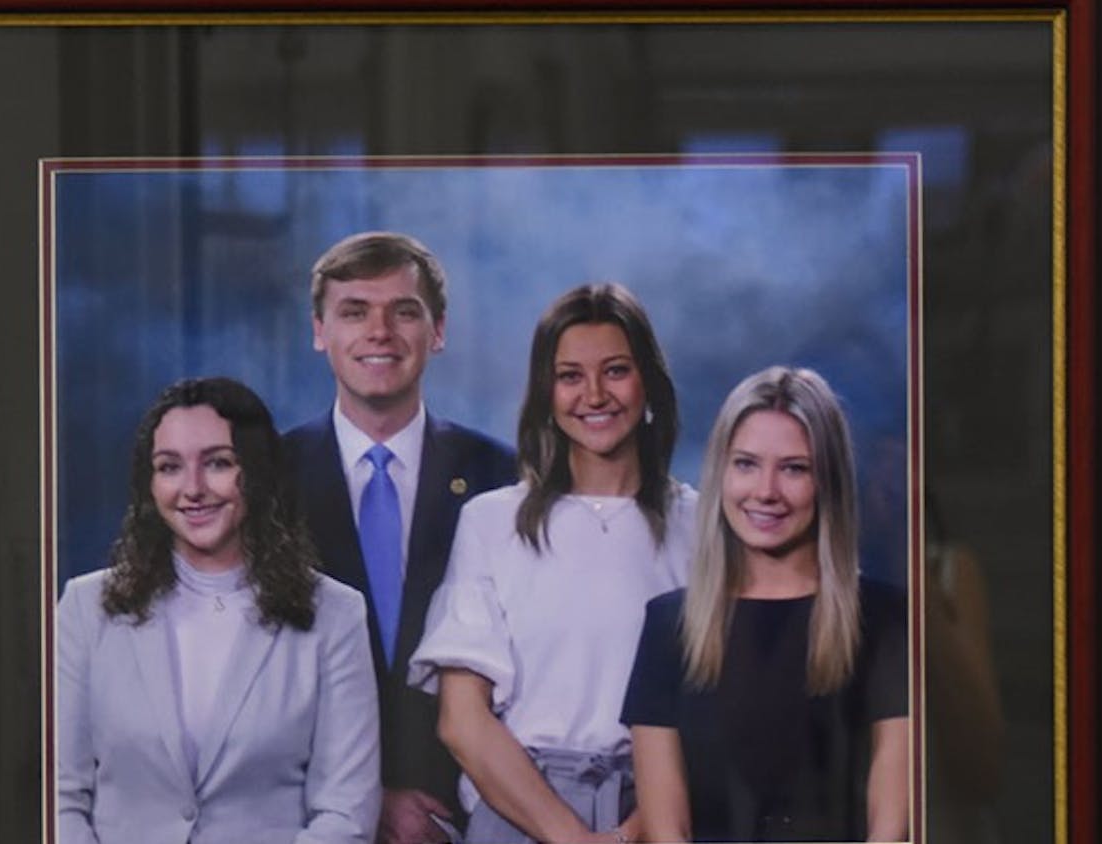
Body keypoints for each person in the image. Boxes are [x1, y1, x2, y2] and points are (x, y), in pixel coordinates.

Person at [408, 282, 698, 844]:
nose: (594, 394)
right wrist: (574, 839)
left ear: (649, 383)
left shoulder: (702, 526)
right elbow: (463, 721)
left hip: (659, 812)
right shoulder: (490, 523)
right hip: (520, 809)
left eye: (615, 370)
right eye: (569, 376)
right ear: (546, 392)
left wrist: (633, 832)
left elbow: (716, 715)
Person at [58, 377, 381, 844]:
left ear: (256, 470)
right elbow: (60, 797)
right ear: (149, 485)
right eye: (169, 467)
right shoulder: (85, 610)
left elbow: (345, 814)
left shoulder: (336, 615)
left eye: (218, 464)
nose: (192, 489)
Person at [283, 232, 518, 844]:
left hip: (474, 816)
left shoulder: (506, 478)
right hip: (311, 821)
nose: (379, 331)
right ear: (319, 331)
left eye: (403, 311)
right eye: (355, 311)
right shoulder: (265, 482)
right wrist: (366, 801)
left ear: (437, 331)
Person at [622, 366, 909, 842]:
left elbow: (891, 822)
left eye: (794, 468)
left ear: (828, 481)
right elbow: (666, 827)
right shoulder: (666, 625)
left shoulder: (882, 620)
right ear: (721, 472)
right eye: (746, 464)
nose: (766, 492)